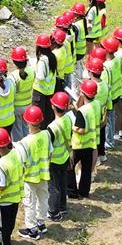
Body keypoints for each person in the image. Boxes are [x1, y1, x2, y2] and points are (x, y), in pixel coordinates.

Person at [17, 105, 52, 239]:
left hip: (30, 178)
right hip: (44, 174)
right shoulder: (46, 134)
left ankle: (31, 229)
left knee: (29, 203)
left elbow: (22, 161)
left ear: (27, 122)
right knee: (43, 199)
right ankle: (41, 223)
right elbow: (49, 152)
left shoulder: (24, 142)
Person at [0, 128, 24, 245]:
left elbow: (2, 185)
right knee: (10, 223)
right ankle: (7, 239)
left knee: (0, 226)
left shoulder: (1, 164)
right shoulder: (15, 154)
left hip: (3, 201)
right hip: (15, 197)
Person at [70, 79, 103, 198]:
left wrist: (72, 127)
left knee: (70, 167)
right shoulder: (98, 104)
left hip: (79, 144)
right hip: (91, 143)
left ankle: (72, 192)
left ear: (83, 94)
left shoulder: (82, 111)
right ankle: (84, 192)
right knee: (86, 170)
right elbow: (99, 120)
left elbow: (81, 129)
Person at [46, 90, 74, 221]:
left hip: (54, 161)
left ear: (52, 106)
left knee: (53, 187)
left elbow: (48, 147)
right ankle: (63, 206)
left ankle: (54, 213)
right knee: (62, 183)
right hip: (64, 156)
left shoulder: (52, 127)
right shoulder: (68, 118)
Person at [99, 36, 122, 151]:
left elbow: (105, 85)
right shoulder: (116, 58)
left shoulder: (106, 67)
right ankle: (112, 137)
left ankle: (109, 141)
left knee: (107, 120)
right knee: (112, 117)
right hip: (117, 92)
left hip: (110, 97)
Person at [32, 33, 58, 125]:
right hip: (50, 91)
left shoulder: (43, 60)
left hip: (40, 92)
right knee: (48, 115)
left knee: (39, 116)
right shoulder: (52, 57)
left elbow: (40, 77)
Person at [9, 46, 34, 141]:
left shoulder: (13, 76)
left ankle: (20, 149)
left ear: (14, 62)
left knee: (17, 131)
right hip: (28, 104)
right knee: (26, 128)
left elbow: (11, 93)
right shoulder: (31, 71)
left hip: (16, 107)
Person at [53, 15, 76, 91]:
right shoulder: (67, 36)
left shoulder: (63, 40)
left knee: (64, 90)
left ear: (61, 28)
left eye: (57, 27)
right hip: (69, 67)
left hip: (64, 70)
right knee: (68, 88)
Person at [69, 3, 87, 89]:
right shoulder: (83, 21)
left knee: (75, 74)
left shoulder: (75, 26)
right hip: (82, 51)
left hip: (77, 53)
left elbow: (73, 41)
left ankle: (77, 90)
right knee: (80, 69)